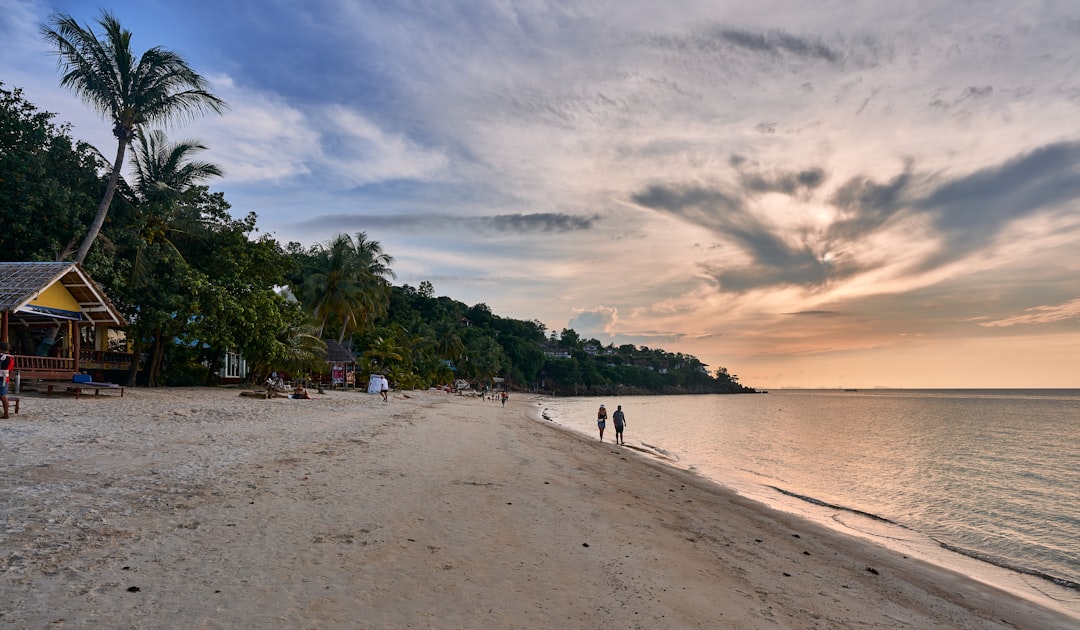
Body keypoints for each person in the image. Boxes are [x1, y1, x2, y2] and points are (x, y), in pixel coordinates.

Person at [0, 342, 12, 419]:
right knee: (3, 396)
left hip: (1, 378)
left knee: (3, 396)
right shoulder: (10, 357)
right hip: (5, 378)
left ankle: (6, 414)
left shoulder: (3, 357)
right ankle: (6, 413)